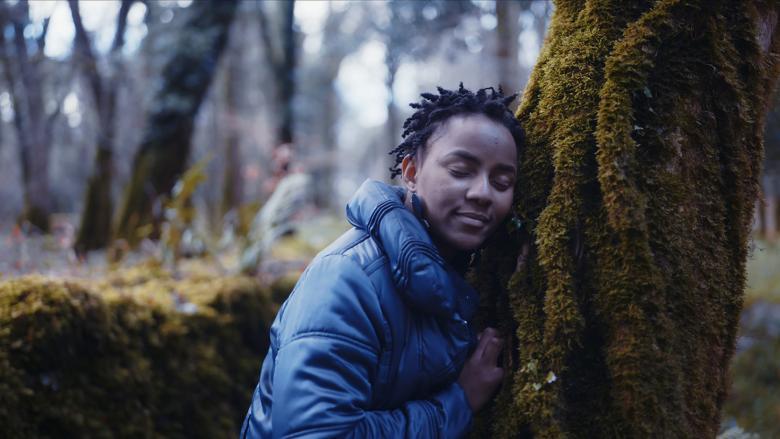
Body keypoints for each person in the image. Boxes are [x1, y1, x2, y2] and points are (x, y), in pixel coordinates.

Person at [241, 84, 525, 438]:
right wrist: (458, 403)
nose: (483, 193)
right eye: (461, 170)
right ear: (410, 173)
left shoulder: (456, 274)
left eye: (501, 181)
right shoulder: (347, 278)